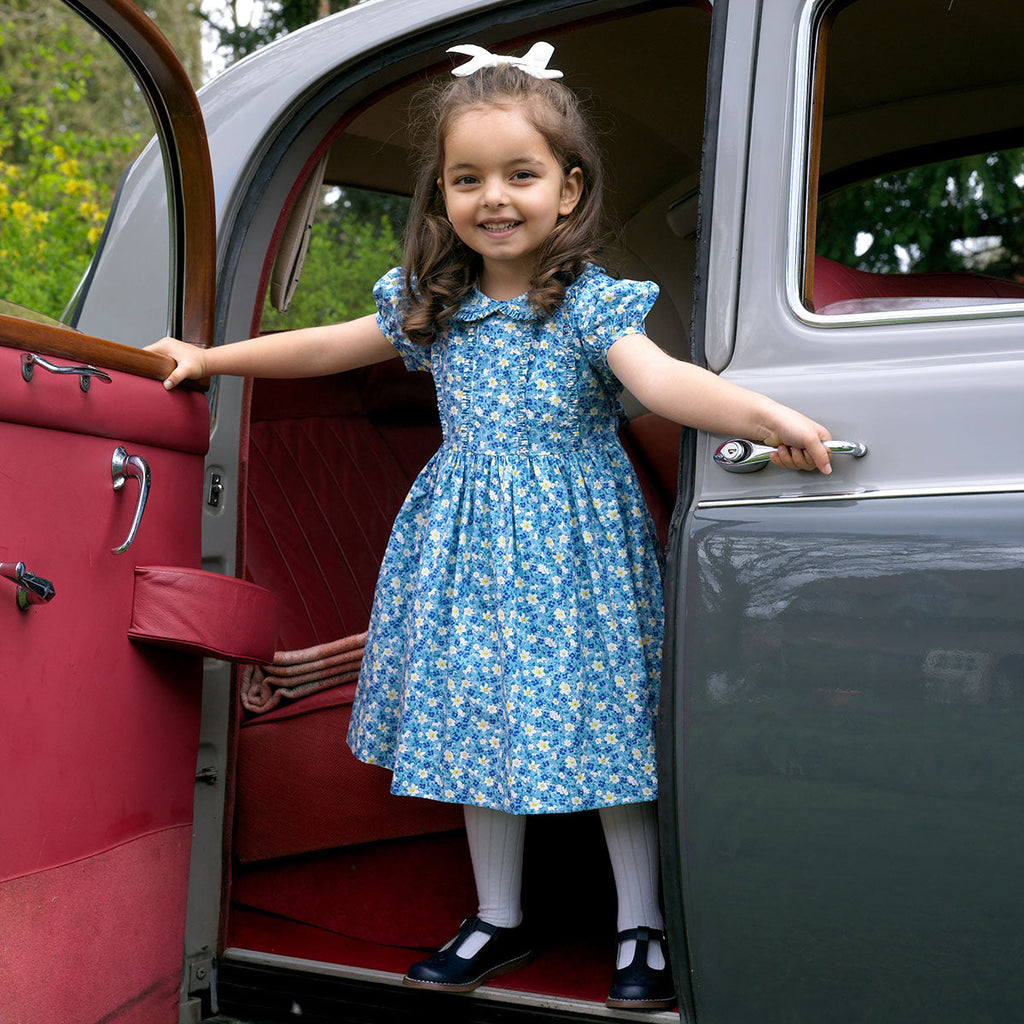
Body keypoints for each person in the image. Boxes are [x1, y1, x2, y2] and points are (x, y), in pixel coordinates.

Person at [148, 41, 833, 1011]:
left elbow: (660, 383)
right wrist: (210, 358)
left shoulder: (592, 305)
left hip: (575, 544)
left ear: (568, 188)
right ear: (440, 199)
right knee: (477, 723)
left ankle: (641, 919)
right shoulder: (434, 305)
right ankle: (496, 912)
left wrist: (763, 416)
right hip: (465, 544)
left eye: (520, 174)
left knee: (609, 730)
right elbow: (323, 346)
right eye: (466, 179)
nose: (493, 198)